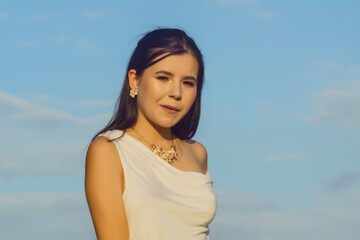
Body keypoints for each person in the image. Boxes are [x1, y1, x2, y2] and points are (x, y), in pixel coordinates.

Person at [85, 28, 217, 240]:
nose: (176, 93)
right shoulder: (109, 150)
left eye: (188, 83)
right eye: (164, 78)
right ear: (135, 81)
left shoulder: (197, 153)